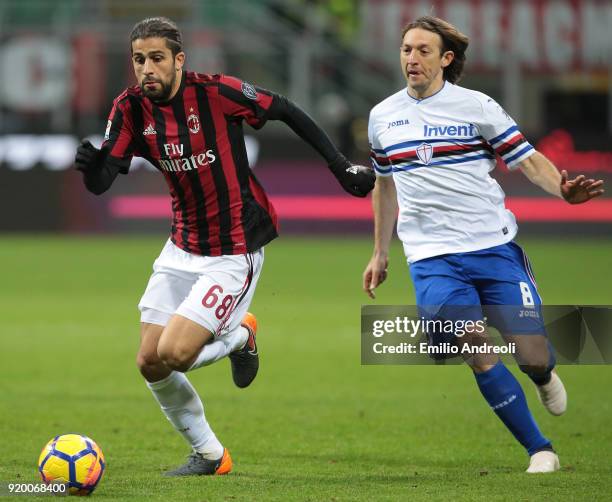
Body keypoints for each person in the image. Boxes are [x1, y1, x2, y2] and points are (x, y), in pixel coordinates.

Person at [75, 16, 374, 477]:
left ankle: (240, 335)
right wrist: (91, 165)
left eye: (156, 58)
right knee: (148, 362)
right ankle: (212, 456)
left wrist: (341, 169)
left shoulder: (216, 93)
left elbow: (287, 109)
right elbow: (101, 181)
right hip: (181, 247)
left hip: (234, 249)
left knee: (175, 354)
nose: (146, 69)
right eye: (139, 60)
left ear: (179, 60)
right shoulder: (130, 108)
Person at [362, 16, 604, 474]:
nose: (411, 58)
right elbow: (384, 185)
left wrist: (562, 189)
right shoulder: (382, 117)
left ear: (446, 59)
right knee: (471, 342)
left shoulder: (477, 107)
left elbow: (528, 161)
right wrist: (380, 252)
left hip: (493, 248)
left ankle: (543, 373)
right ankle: (540, 449)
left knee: (531, 354)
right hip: (432, 257)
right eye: (406, 49)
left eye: (423, 51)